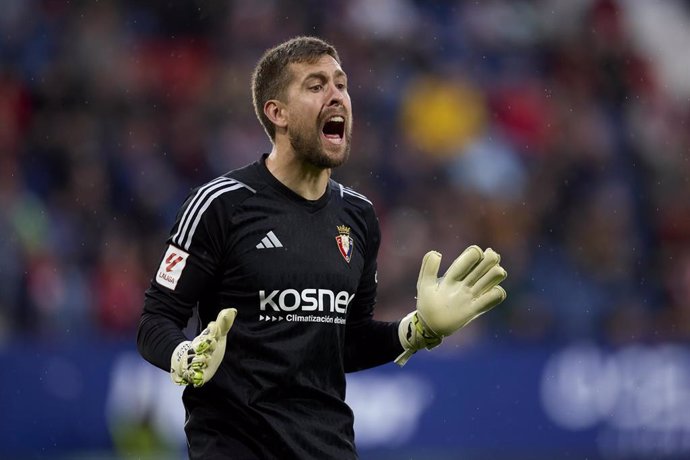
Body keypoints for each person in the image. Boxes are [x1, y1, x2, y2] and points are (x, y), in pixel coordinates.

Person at [136, 36, 508, 459]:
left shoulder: (359, 217)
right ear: (277, 113)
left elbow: (347, 343)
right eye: (316, 86)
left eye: (341, 84)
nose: (337, 96)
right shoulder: (221, 204)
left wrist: (415, 331)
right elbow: (155, 319)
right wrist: (183, 356)